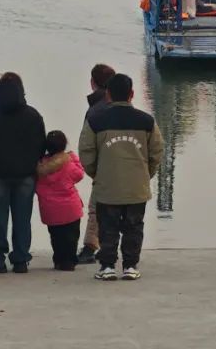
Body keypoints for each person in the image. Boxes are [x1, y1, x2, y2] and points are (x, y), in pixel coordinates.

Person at [78, 73, 164, 281]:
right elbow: (157, 153)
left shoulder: (96, 120)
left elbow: (86, 153)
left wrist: (98, 174)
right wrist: (145, 174)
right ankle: (130, 265)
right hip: (137, 186)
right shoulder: (146, 121)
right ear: (132, 94)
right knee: (134, 227)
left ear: (107, 95)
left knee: (108, 226)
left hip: (107, 185)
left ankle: (107, 266)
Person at [0, 72, 46, 274]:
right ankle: (20, 259)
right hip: (25, 175)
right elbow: (40, 146)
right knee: (22, 218)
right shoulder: (33, 115)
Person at [77, 63, 116, 264]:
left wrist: (93, 170)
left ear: (92, 83)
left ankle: (90, 248)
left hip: (103, 167)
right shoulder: (122, 106)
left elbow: (86, 146)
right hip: (124, 167)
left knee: (96, 208)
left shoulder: (95, 111)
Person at [35, 130, 85, 271]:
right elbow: (79, 174)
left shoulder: (40, 166)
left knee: (56, 236)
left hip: (50, 208)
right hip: (70, 208)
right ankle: (69, 261)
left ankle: (58, 260)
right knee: (71, 236)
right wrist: (73, 158)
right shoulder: (68, 163)